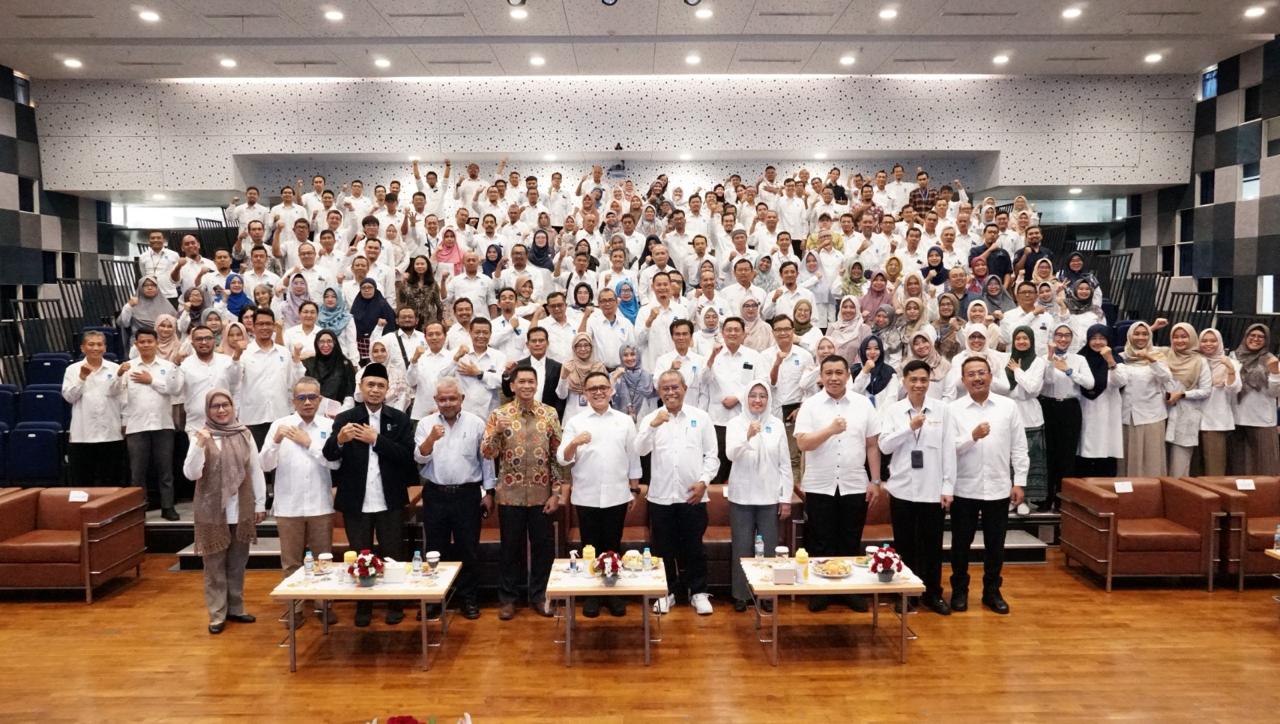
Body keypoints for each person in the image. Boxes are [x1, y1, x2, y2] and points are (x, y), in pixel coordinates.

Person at [322, 363, 418, 627]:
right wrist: (339, 440)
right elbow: (329, 455)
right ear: (361, 388)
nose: (375, 390)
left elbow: (407, 457)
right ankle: (362, 606)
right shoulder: (345, 418)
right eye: (370, 385)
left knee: (393, 554)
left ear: (387, 390)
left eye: (380, 386)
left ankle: (394, 605)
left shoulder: (398, 419)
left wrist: (376, 440)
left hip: (389, 499)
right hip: (356, 500)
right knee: (360, 553)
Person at [794, 354, 882, 613]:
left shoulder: (863, 404)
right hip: (820, 484)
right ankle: (822, 591)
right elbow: (803, 443)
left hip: (854, 483)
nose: (833, 377)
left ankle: (849, 590)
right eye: (828, 373)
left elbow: (872, 446)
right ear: (821, 377)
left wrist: (875, 480)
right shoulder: (810, 405)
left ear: (848, 375)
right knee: (820, 540)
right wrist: (830, 430)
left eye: (839, 372)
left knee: (850, 539)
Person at [482, 365, 567, 620]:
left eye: (531, 381)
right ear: (513, 386)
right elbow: (488, 452)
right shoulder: (499, 415)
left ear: (536, 384)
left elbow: (557, 457)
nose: (527, 386)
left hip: (542, 494)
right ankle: (508, 599)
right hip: (510, 494)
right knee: (510, 548)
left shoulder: (549, 414)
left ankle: (540, 596)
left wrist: (556, 493)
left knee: (542, 548)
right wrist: (496, 432)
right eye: (522, 382)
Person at [557, 370, 642, 618]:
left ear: (611, 390)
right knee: (590, 547)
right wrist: (574, 443)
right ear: (585, 394)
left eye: (602, 387)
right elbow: (562, 459)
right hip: (586, 495)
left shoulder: (625, 421)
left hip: (617, 494)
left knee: (613, 545)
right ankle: (592, 593)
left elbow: (633, 457)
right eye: (592, 388)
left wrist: (634, 488)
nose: (598, 392)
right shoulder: (575, 421)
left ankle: (612, 593)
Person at [947, 356, 1028, 615]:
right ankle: (959, 591)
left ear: (991, 376)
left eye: (982, 372)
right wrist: (972, 437)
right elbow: (948, 450)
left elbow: (1019, 447)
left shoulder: (1008, 407)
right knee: (960, 544)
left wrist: (1020, 482)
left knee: (996, 544)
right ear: (963, 380)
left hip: (998, 486)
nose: (977, 378)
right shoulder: (954, 409)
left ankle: (992, 591)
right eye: (971, 374)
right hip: (964, 487)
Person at [183, 389, 267, 634]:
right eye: (215, 406)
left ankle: (236, 608)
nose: (221, 410)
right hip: (211, 511)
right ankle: (217, 614)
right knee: (214, 565)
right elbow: (191, 473)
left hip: (240, 509)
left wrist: (260, 504)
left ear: (232, 407)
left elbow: (255, 470)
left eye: (225, 405)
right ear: (207, 410)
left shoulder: (244, 434)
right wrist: (199, 445)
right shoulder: (201, 435)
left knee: (238, 563)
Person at [636, 370, 719, 615]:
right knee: (662, 548)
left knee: (694, 547)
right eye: (665, 388)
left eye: (675, 387)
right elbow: (639, 451)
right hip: (660, 496)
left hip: (693, 496)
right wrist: (652, 426)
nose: (671, 392)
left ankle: (699, 592)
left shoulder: (701, 417)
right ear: (659, 392)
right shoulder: (651, 417)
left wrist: (704, 482)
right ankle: (666, 592)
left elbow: (712, 456)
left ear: (684, 388)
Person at [259, 377, 339, 627]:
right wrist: (275, 442)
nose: (307, 403)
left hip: (320, 505)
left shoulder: (328, 426)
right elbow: (264, 464)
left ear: (320, 399)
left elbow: (336, 463)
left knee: (323, 559)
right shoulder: (279, 425)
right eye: (302, 398)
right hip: (288, 506)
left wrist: (310, 443)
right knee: (291, 562)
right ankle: (294, 608)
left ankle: (323, 605)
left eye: (312, 397)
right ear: (293, 400)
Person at [878, 359, 956, 615]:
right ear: (905, 381)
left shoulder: (942, 410)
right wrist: (908, 428)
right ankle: (906, 594)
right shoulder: (893, 411)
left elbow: (949, 451)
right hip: (902, 489)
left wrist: (948, 487)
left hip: (933, 490)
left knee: (932, 546)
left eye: (923, 380)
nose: (919, 384)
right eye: (914, 380)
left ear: (929, 381)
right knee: (905, 545)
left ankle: (933, 593)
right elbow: (885, 446)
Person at [415, 378, 495, 621]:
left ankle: (468, 598)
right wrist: (430, 439)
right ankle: (433, 600)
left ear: (461, 399)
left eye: (452, 398)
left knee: (468, 549)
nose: (447, 403)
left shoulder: (476, 423)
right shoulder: (425, 424)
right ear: (436, 401)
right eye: (442, 399)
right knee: (434, 550)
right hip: (436, 494)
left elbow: (487, 460)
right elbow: (419, 458)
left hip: (467, 494)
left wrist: (489, 493)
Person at [724, 381, 792, 613]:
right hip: (741, 496)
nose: (758, 400)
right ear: (746, 398)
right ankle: (741, 594)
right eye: (753, 395)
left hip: (769, 496)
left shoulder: (777, 425)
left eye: (763, 396)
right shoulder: (735, 423)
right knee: (741, 547)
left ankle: (766, 593)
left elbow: (785, 465)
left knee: (769, 548)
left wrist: (785, 498)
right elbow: (730, 454)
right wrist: (747, 435)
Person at [120, 328, 184, 520]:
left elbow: (174, 390)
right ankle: (138, 508)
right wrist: (124, 422)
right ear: (136, 344)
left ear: (156, 343)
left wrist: (151, 380)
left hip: (163, 424)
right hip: (136, 426)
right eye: (142, 342)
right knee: (137, 472)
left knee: (165, 470)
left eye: (150, 341)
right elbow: (121, 397)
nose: (146, 345)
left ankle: (168, 506)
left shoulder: (167, 366)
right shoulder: (128, 367)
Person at [1039, 324, 1093, 510]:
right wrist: (1049, 360)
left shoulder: (1079, 359)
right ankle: (1045, 498)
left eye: (1066, 336)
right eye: (1059, 335)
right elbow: (1046, 381)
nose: (1062, 339)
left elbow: (1089, 383)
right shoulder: (1044, 358)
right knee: (1048, 454)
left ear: (1072, 338)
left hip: (1069, 408)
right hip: (1048, 406)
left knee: (1067, 455)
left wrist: (1069, 370)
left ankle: (1063, 500)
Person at [62, 330, 125, 486]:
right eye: (91, 344)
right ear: (83, 348)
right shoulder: (73, 369)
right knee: (83, 482)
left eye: (99, 344)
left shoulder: (114, 368)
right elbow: (69, 397)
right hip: (83, 434)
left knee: (111, 481)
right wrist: (82, 378)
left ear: (105, 347)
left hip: (111, 433)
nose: (95, 348)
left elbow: (122, 397)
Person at [1119, 321, 1174, 477]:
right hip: (1127, 415)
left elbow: (1166, 378)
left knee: (1151, 459)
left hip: (1151, 415)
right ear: (1130, 336)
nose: (1140, 337)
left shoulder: (1157, 356)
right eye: (1136, 334)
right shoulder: (1122, 356)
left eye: (1145, 334)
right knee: (1128, 457)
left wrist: (1150, 358)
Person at [1004, 326, 1047, 514]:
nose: (1021, 342)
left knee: (1030, 457)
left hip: (1030, 414)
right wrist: (1018, 373)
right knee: (1008, 459)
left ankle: (1025, 500)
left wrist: (1017, 371)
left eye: (1025, 338)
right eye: (1018, 338)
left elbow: (1032, 387)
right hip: (1010, 411)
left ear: (1031, 340)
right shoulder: (1006, 359)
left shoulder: (1039, 361)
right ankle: (1010, 498)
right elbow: (1003, 387)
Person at [1231, 324, 1280, 475]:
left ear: (1266, 340)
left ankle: (1269, 498)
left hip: (1262, 421)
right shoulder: (1234, 357)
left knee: (1266, 467)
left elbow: (1274, 392)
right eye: (1252, 336)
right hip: (1236, 420)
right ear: (1245, 337)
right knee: (1238, 466)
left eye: (1260, 337)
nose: (1255, 339)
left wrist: (1274, 372)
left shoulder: (1271, 359)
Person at [1163, 323, 1211, 477]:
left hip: (1186, 415)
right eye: (1175, 337)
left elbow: (1206, 390)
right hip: (1162, 412)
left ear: (1191, 338)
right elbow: (1137, 347)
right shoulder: (1164, 354)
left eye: (1184, 337)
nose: (1179, 340)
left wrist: (1183, 394)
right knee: (1160, 462)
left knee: (1179, 466)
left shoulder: (1200, 361)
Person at [1077, 324, 1124, 477]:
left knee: (1105, 448)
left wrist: (1110, 360)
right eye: (1094, 338)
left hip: (1107, 412)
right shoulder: (1080, 358)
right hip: (1085, 409)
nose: (1097, 342)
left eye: (1102, 338)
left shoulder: (1117, 359)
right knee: (1084, 448)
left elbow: (1121, 382)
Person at [1197, 328, 1239, 476]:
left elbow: (1234, 388)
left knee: (1214, 468)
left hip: (1215, 422)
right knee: (1194, 469)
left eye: (1213, 340)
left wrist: (1230, 369)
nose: (1208, 344)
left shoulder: (1230, 362)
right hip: (1191, 420)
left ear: (1220, 342)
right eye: (1204, 340)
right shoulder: (1194, 360)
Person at [303, 329, 357, 413]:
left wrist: (340, 414)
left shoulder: (344, 364)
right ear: (316, 344)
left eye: (329, 341)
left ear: (335, 343)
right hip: (313, 411)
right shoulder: (310, 363)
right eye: (321, 342)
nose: (325, 345)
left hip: (339, 411)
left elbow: (350, 393)